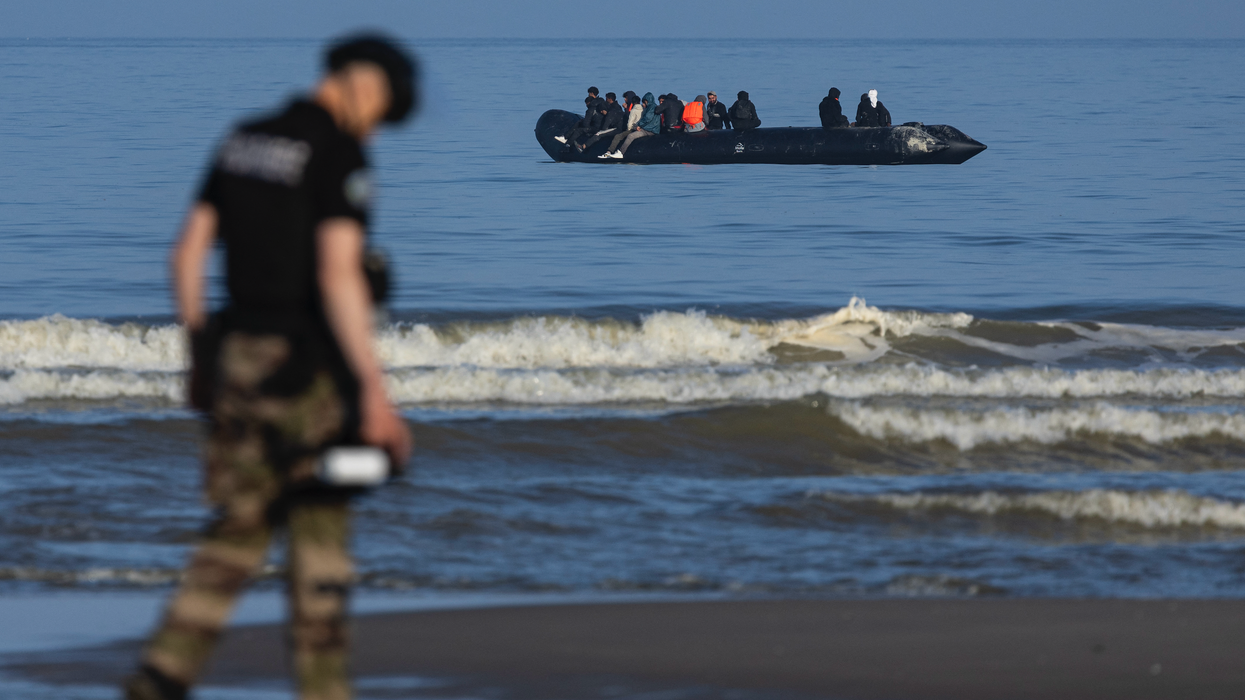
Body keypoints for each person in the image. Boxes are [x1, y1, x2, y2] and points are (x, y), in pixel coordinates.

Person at [122, 33, 415, 700]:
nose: (374, 127)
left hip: (237, 362)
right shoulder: (338, 151)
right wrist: (374, 393)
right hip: (305, 369)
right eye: (380, 112)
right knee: (318, 536)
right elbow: (338, 274)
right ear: (365, 86)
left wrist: (199, 358)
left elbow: (185, 255)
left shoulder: (242, 140)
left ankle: (161, 675)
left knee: (237, 528)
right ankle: (323, 688)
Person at [600, 91, 659, 159]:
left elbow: (646, 119)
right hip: (649, 128)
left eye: (644, 102)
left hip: (649, 130)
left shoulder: (649, 108)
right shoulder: (647, 108)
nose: (643, 104)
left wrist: (638, 126)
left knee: (630, 136)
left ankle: (619, 152)